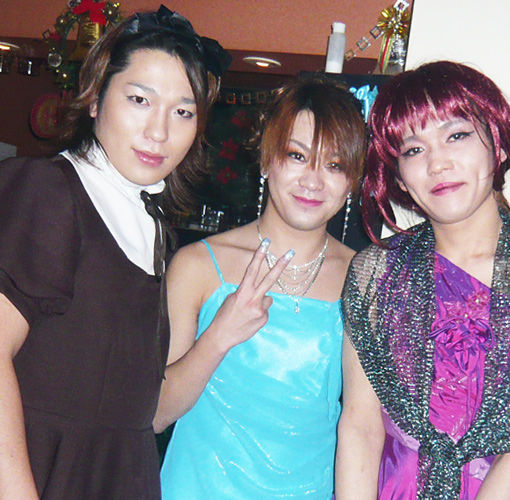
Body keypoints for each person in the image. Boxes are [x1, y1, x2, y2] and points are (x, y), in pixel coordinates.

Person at [0, 6, 230, 499]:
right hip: (35, 475)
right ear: (95, 99)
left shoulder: (155, 226)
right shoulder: (47, 191)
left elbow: (141, 407)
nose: (159, 131)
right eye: (139, 100)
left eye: (183, 112)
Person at [336, 60, 510, 500]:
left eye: (456, 136)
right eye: (413, 150)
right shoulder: (376, 272)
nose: (437, 163)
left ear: (497, 144)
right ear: (399, 175)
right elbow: (359, 426)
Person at [156, 76, 366, 499]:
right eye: (297, 156)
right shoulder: (198, 266)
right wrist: (218, 336)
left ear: (352, 181)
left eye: (334, 165)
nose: (313, 181)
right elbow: (156, 413)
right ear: (267, 160)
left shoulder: (363, 278)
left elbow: (361, 425)